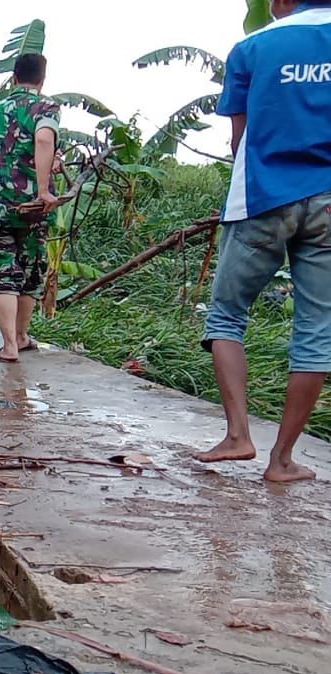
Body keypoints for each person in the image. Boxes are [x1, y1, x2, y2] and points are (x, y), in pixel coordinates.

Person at [194, 1, 331, 482]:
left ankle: (238, 436)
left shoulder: (254, 45)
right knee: (316, 332)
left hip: (262, 194)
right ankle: (282, 461)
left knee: (227, 314)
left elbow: (239, 140)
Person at [0, 53, 61, 363]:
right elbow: (42, 141)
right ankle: (21, 337)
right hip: (32, 204)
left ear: (13, 78)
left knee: (3, 273)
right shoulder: (46, 107)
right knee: (28, 272)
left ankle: (10, 344)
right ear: (42, 79)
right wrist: (42, 189)